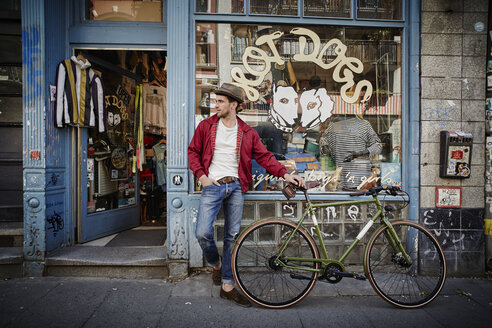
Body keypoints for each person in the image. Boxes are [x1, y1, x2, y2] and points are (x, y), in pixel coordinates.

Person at [188, 83, 305, 307]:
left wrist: (285, 174)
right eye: (216, 101)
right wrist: (202, 176)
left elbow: (264, 157)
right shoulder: (206, 126)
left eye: (221, 101)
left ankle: (227, 286)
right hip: (212, 185)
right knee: (202, 232)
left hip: (236, 188)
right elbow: (193, 151)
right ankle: (216, 264)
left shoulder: (247, 132)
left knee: (232, 237)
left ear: (234, 105)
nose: (216, 105)